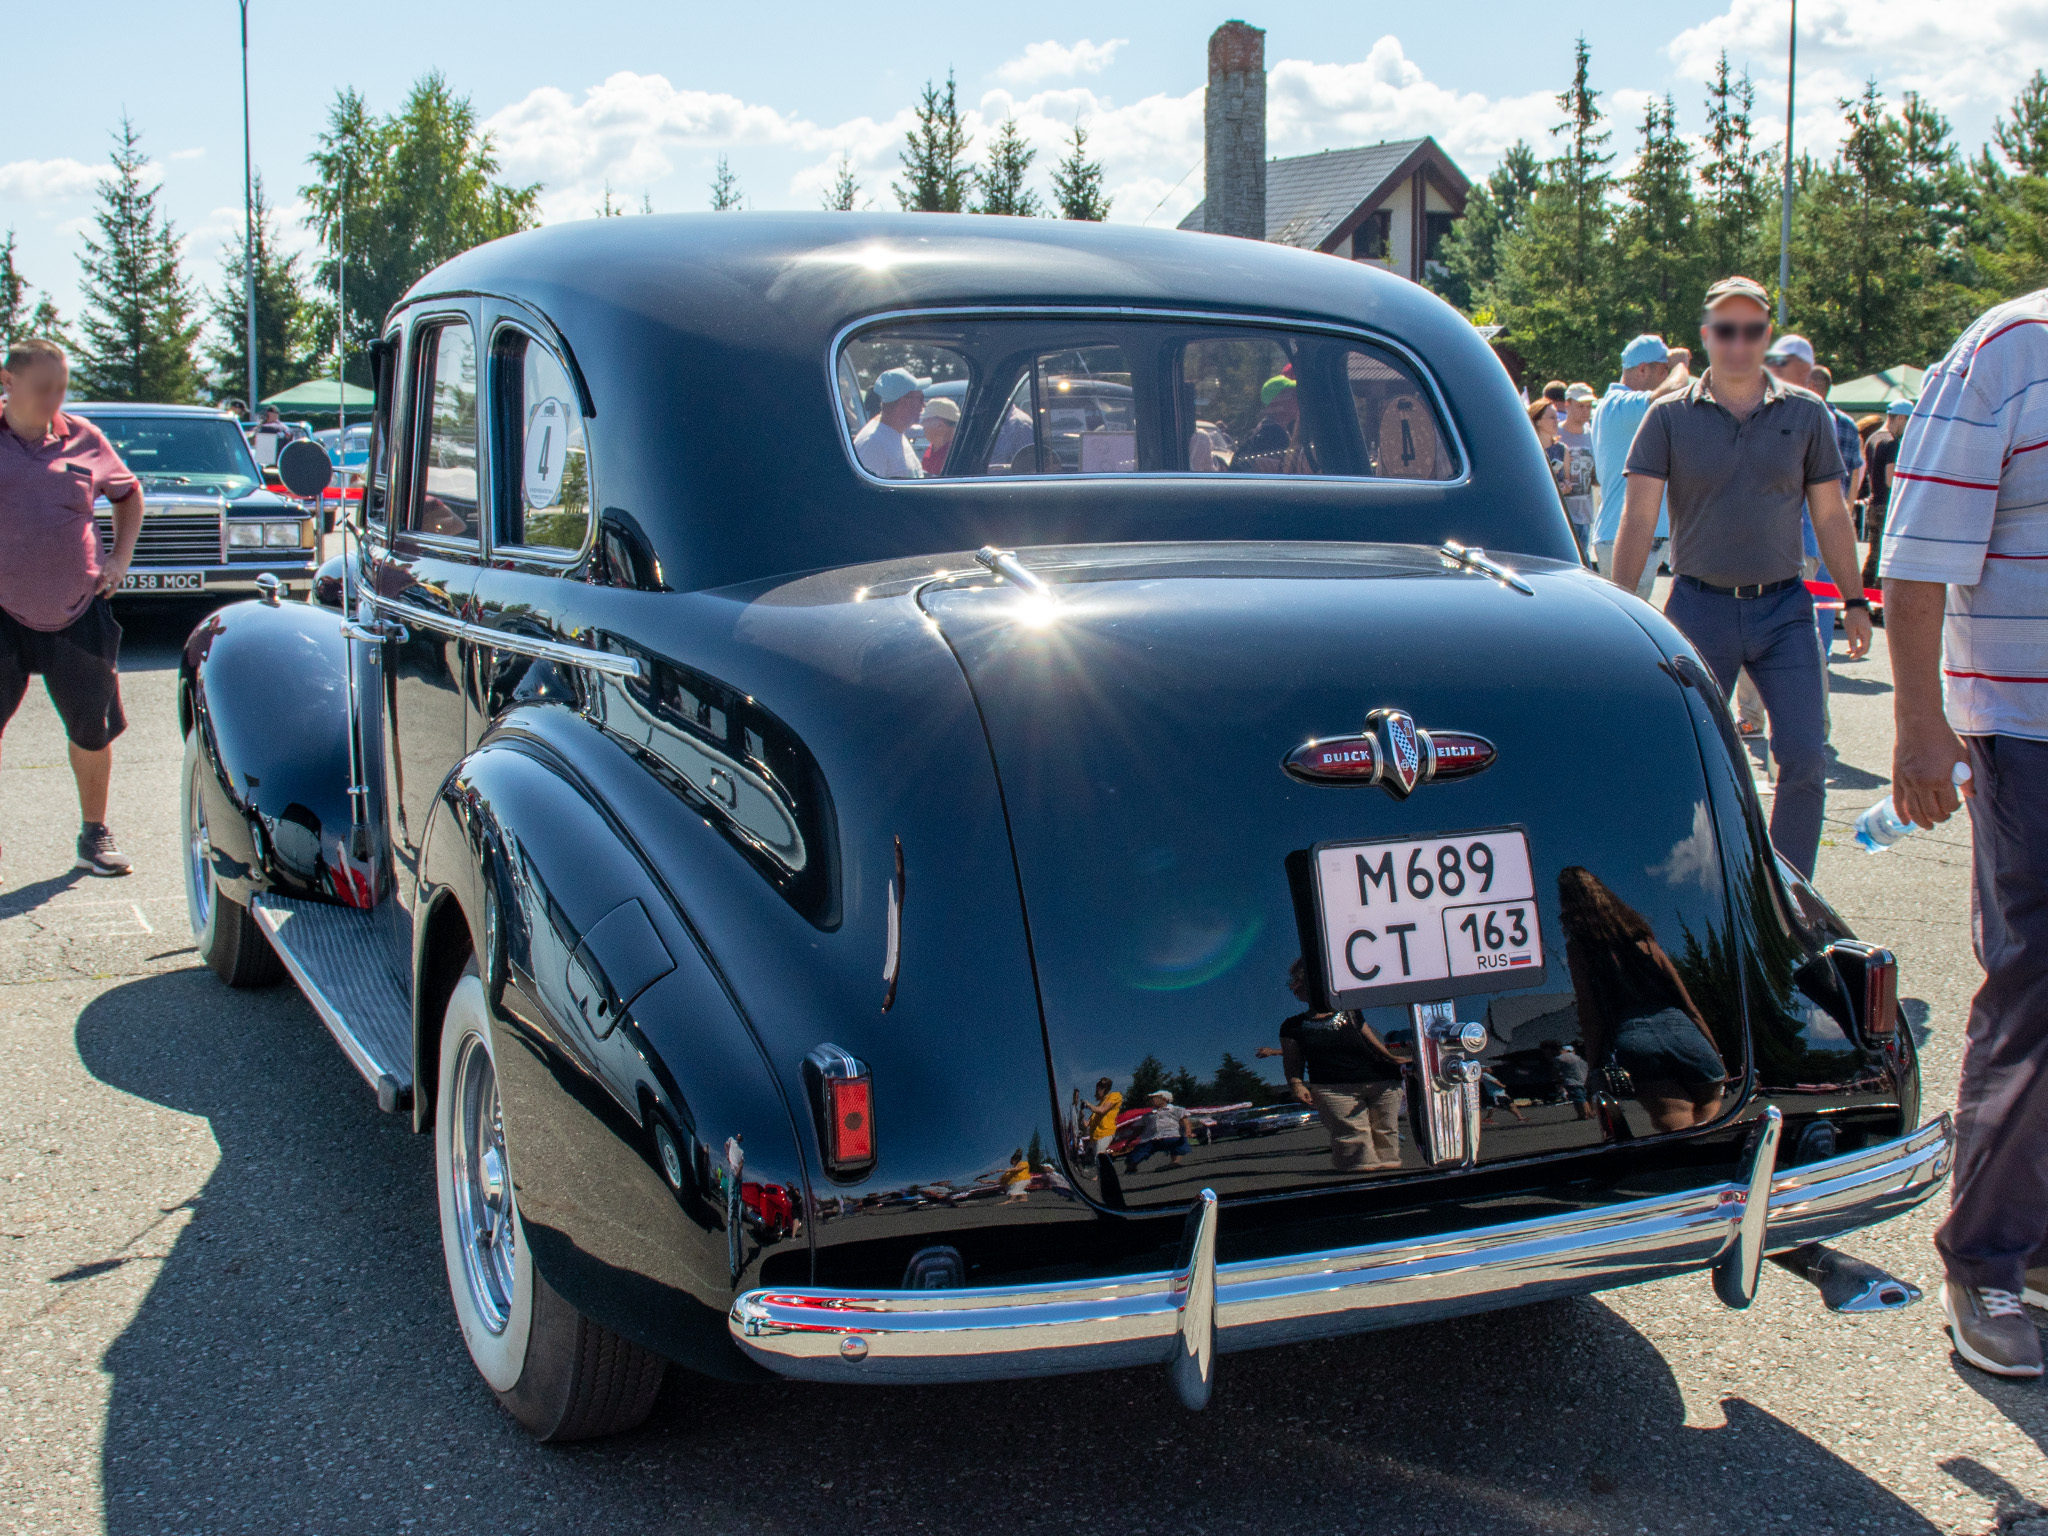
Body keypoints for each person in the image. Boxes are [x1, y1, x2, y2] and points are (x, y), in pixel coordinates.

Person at [1877, 288, 2048, 1379]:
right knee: (2036, 988)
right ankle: (1984, 1256)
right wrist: (1915, 723)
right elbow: (1915, 554)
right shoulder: (2011, 347)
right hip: (2027, 729)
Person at [1610, 275, 1872, 880]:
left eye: (1751, 331)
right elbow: (1638, 518)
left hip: (1783, 611)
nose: (1738, 342)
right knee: (1682, 759)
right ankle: (1685, 884)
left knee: (1804, 758)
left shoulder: (1806, 414)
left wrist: (1856, 599)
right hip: (1698, 609)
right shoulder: (1668, 416)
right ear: (1707, 335)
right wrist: (1622, 609)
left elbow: (1831, 515)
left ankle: (1788, 889)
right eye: (1725, 330)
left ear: (1765, 336)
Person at [0, 338, 142, 877]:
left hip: (78, 606)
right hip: (2, 609)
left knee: (91, 728)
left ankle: (94, 837)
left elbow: (128, 495)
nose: (54, 398)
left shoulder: (85, 438)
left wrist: (120, 559)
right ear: (8, 382)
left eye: (61, 387)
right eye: (43, 388)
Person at [1556, 865, 1727, 1132]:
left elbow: (1590, 1017)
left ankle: (1688, 1148)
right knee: (1711, 1102)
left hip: (1632, 1038)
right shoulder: (1645, 940)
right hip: (1683, 1030)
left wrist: (1593, 1067)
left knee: (1671, 1114)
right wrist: (1715, 1051)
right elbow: (1689, 1005)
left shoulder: (1579, 949)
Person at [1278, 958, 1406, 1171]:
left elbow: (1372, 1042)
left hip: (1382, 1082)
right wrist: (1296, 1085)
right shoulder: (1292, 1026)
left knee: (1386, 1132)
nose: (1295, 987)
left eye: (1301, 981)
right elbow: (1292, 1060)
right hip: (1333, 1088)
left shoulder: (1351, 1012)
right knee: (1353, 1138)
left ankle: (1392, 1176)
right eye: (1295, 983)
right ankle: (1364, 1180)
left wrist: (1393, 1059)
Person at [1589, 335, 1687, 597]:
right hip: (1626, 535)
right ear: (1643, 369)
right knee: (1628, 619)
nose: (1669, 376)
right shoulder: (1619, 404)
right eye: (1665, 370)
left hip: (1630, 533)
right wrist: (1681, 366)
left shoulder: (1618, 406)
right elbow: (1668, 394)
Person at [1859, 396, 1913, 588]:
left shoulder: (1873, 438)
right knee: (1885, 559)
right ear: (1901, 418)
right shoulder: (1891, 442)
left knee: (1874, 555)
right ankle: (1877, 598)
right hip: (1886, 507)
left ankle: (1863, 594)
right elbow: (1891, 480)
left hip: (1873, 503)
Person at [852, 368, 927, 479]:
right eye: (920, 399)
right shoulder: (872, 444)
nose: (924, 405)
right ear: (904, 402)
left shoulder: (894, 432)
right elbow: (863, 489)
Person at [1230, 375, 1311, 473]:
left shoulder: (1268, 429)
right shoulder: (1271, 434)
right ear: (1276, 401)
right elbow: (1278, 475)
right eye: (1292, 395)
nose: (1298, 399)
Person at [1556, 383, 1598, 561]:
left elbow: (1595, 477)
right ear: (1568, 404)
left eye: (1589, 407)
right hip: (1561, 514)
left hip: (1585, 515)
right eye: (1581, 406)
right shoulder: (1555, 432)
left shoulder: (1592, 434)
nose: (1586, 411)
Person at [1123, 1091, 1193, 1174]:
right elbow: (1139, 1129)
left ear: (1164, 1099)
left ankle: (1175, 1162)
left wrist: (1188, 1131)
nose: (1152, 1100)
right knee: (1140, 1150)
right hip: (1153, 1137)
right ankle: (1131, 1166)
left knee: (1179, 1143)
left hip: (1173, 1134)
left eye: (1155, 1098)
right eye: (1151, 1099)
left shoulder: (1177, 1110)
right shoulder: (1148, 1115)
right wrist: (1130, 1140)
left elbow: (1185, 1120)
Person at [1528, 397, 1567, 509]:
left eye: (1556, 417)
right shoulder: (1529, 452)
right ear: (1537, 421)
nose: (1557, 421)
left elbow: (1567, 480)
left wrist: (1565, 486)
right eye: (1552, 418)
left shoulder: (1562, 449)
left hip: (1557, 508)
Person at [1543, 1040, 1591, 1119]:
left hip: (1572, 1081)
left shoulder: (1558, 1059)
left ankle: (1583, 1115)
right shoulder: (1576, 1056)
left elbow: (1556, 1072)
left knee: (1578, 1099)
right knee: (1583, 1098)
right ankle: (1588, 1113)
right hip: (1583, 1079)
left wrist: (1559, 1082)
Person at [1079, 1077, 1123, 1164]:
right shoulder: (1097, 1107)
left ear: (1104, 1089)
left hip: (1105, 1133)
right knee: (1098, 1161)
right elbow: (1086, 1125)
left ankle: (1103, 1172)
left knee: (1100, 1158)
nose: (1096, 1093)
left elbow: (1102, 1110)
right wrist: (1082, 1115)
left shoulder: (1115, 1096)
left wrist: (1089, 1105)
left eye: (1097, 1090)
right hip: (1095, 1138)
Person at [918, 396, 959, 476]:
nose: (922, 424)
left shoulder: (953, 455)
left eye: (925, 420)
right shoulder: (933, 448)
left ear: (940, 424)